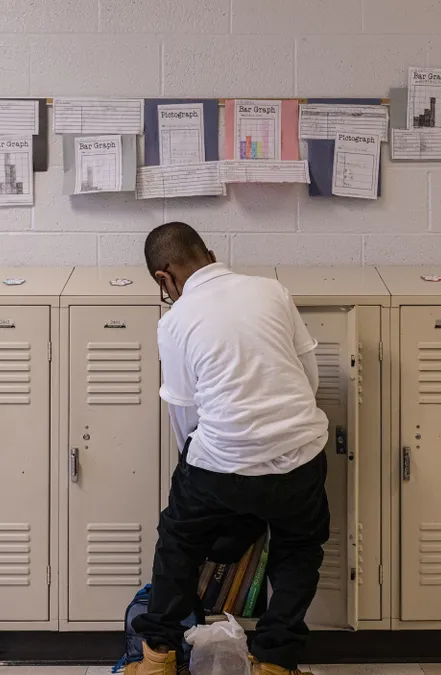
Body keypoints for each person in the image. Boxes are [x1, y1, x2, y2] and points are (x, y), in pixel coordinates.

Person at [128, 222, 331, 675]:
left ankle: (158, 657)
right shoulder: (271, 290)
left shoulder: (175, 319)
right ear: (208, 253)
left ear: (164, 277)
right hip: (300, 453)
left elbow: (183, 414)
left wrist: (196, 471)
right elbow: (309, 378)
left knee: (178, 544)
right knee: (299, 548)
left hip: (219, 464)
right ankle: (276, 662)